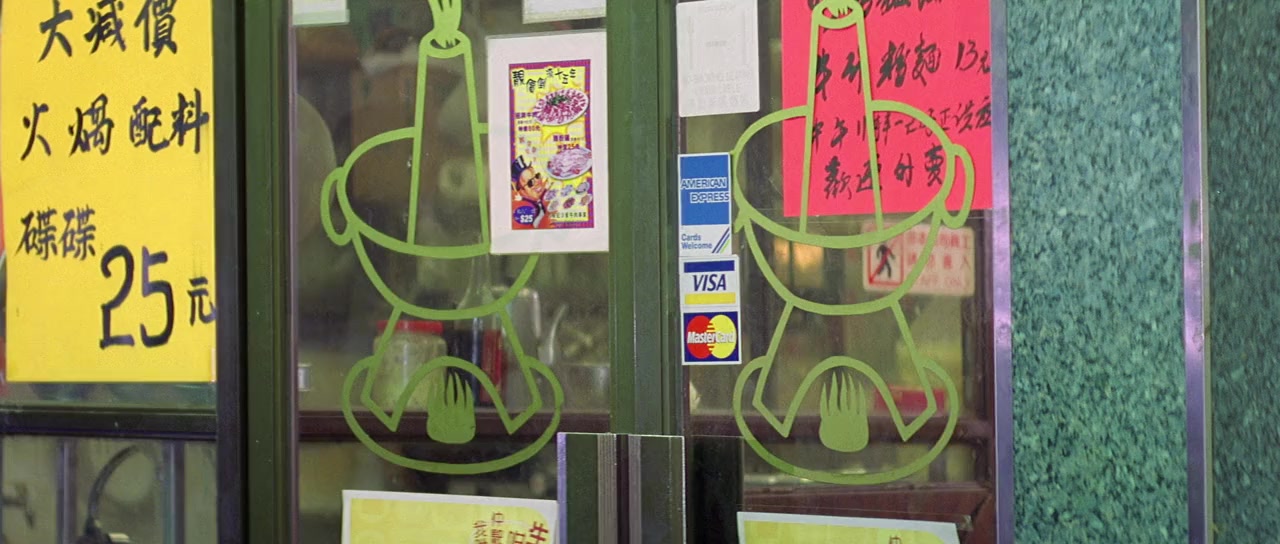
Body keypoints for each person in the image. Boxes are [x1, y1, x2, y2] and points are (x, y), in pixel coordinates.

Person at [511, 156, 551, 229]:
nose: (537, 182)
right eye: (530, 182)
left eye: (537, 176)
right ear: (521, 190)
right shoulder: (523, 208)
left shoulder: (547, 196)